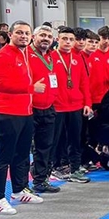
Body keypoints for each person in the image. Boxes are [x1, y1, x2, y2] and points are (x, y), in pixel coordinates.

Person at [0, 21, 44, 215]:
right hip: (5, 112)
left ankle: (19, 191)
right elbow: (1, 85)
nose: (24, 36)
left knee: (21, 155)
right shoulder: (2, 56)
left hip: (25, 112)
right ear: (10, 34)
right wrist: (31, 89)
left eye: (27, 33)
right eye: (19, 32)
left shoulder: (27, 54)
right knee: (3, 156)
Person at [50, 27, 92, 183]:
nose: (68, 42)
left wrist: (87, 103)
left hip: (76, 105)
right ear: (58, 39)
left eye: (70, 39)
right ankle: (57, 167)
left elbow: (84, 82)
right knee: (58, 139)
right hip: (57, 105)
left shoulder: (78, 57)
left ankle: (75, 168)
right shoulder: (51, 57)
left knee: (75, 139)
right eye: (64, 39)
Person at [27, 25, 63, 194]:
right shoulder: (26, 54)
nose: (46, 38)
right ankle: (21, 185)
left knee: (45, 146)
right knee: (24, 148)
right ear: (34, 37)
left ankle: (40, 181)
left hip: (48, 107)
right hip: (28, 108)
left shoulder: (52, 56)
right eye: (42, 35)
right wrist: (31, 88)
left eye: (49, 36)